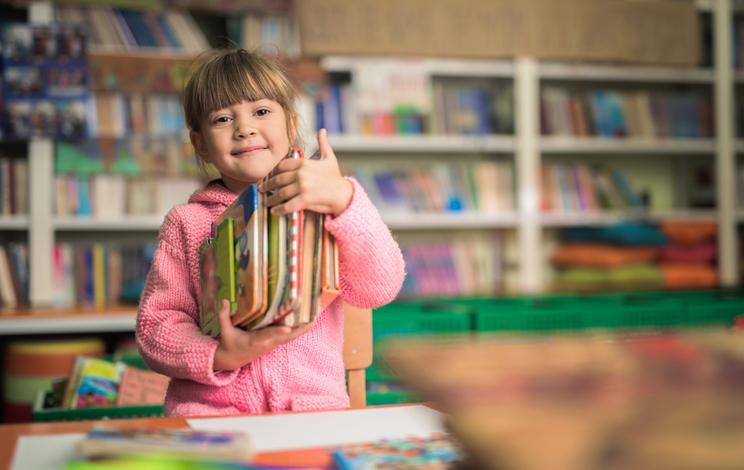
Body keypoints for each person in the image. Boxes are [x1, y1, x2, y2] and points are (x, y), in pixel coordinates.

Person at [135, 48, 405, 417]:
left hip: (311, 414)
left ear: (291, 125)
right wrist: (220, 355)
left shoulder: (326, 205)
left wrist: (345, 199)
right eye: (222, 118)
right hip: (211, 415)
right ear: (199, 144)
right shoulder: (186, 222)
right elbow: (155, 328)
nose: (244, 128)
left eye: (261, 111)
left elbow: (381, 285)